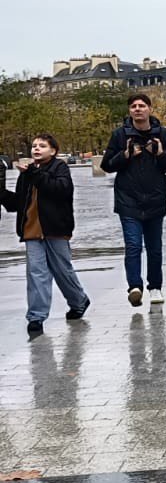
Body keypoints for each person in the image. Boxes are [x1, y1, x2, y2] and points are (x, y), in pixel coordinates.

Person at [1, 134, 90, 338]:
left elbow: (60, 190)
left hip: (56, 229)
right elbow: (18, 204)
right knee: (36, 273)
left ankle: (79, 301)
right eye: (34, 146)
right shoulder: (28, 173)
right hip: (31, 231)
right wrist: (3, 194)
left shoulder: (59, 168)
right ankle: (36, 317)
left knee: (62, 270)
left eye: (42, 146)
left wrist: (33, 174)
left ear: (53, 151)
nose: (36, 149)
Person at [101, 93, 166, 305]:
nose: (138, 109)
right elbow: (106, 165)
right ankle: (134, 286)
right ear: (129, 111)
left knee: (155, 247)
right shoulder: (120, 135)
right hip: (128, 200)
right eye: (134, 106)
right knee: (134, 245)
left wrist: (161, 154)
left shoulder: (163, 135)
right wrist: (125, 155)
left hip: (155, 199)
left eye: (142, 106)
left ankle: (155, 287)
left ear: (149, 109)